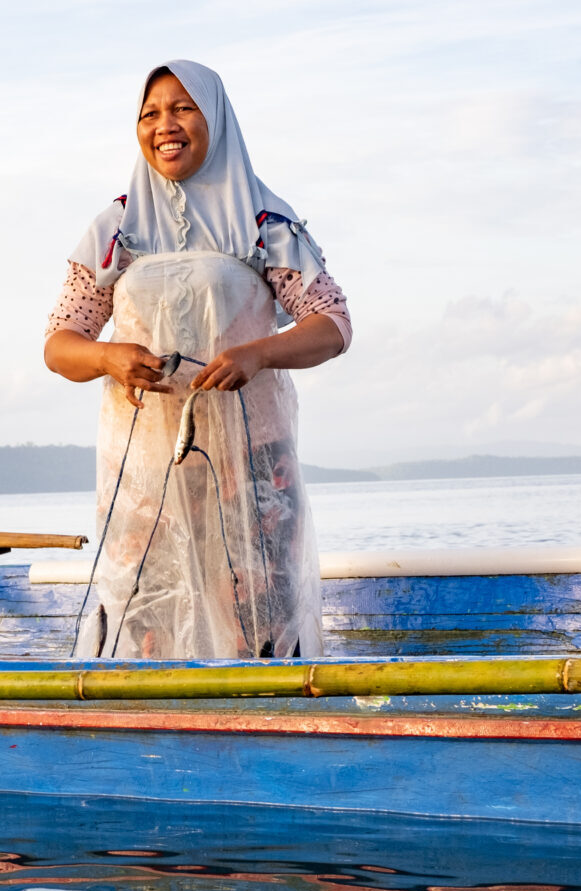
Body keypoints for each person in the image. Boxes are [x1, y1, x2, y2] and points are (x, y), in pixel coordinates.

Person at [44, 60, 351, 661]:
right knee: (147, 614)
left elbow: (331, 324)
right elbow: (61, 344)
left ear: (216, 119)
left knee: (255, 615)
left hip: (252, 467)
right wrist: (108, 357)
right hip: (144, 472)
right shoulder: (117, 228)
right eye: (150, 112)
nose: (166, 125)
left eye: (184, 108)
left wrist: (257, 354)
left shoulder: (265, 223)